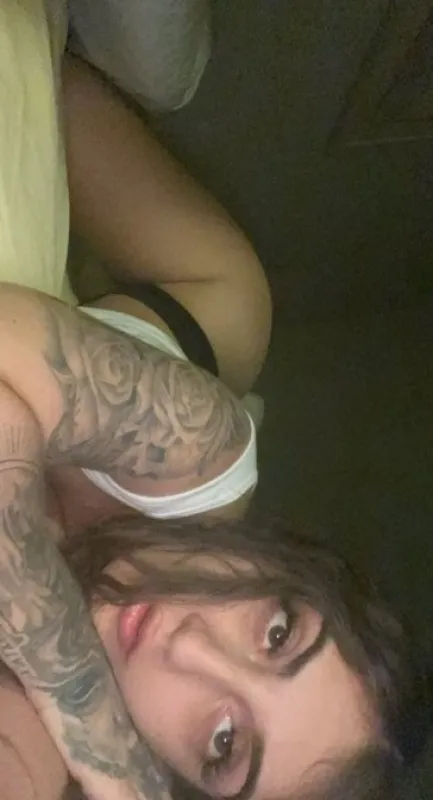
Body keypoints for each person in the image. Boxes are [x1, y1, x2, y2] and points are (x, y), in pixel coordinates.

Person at [0, 505, 423, 800]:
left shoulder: (33, 757)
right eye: (278, 633)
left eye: (224, 741)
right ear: (280, 562)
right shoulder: (179, 459)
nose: (189, 647)